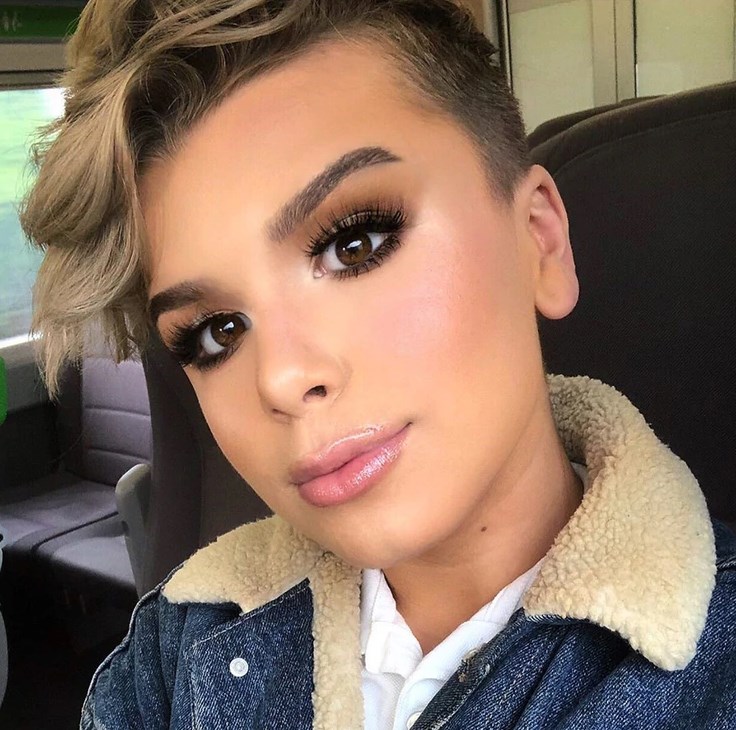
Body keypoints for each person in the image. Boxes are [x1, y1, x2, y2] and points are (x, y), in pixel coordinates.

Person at [20, 0, 736, 728]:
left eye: (354, 245)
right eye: (216, 332)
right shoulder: (177, 641)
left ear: (538, 241)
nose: (281, 379)